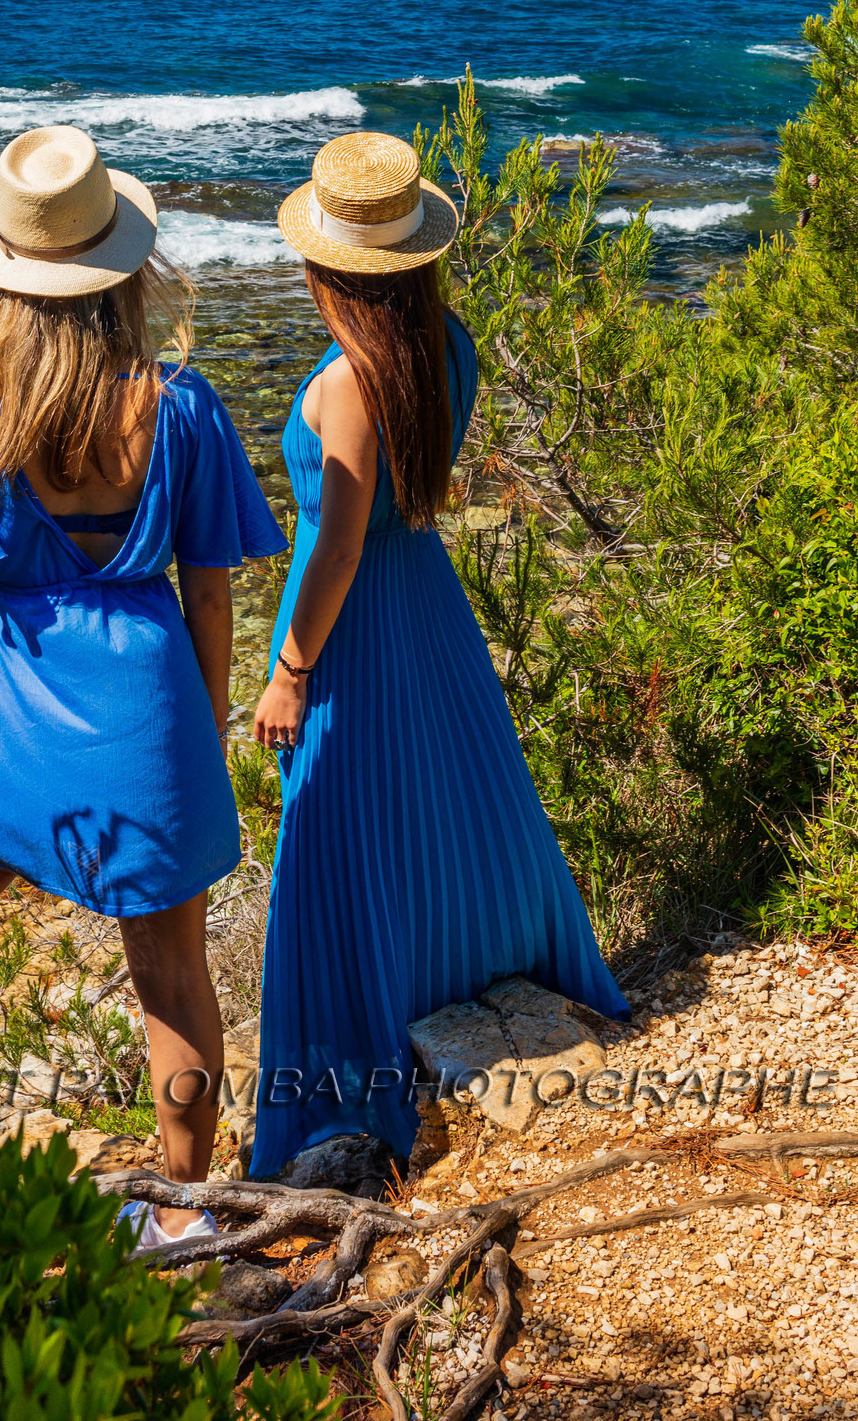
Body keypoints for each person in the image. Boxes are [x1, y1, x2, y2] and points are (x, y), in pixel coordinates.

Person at [0, 124, 285, 1245]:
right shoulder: (181, 405)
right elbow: (208, 593)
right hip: (152, 703)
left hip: (10, 697)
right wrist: (201, 732)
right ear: (122, 271)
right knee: (172, 976)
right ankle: (185, 1219)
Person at [250, 129, 628, 1179]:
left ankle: (344, 1057)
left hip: (358, 615)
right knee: (446, 799)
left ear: (328, 264)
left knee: (336, 824)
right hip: (427, 594)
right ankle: (461, 971)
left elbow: (333, 541)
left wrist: (288, 668)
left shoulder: (343, 383)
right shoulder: (442, 343)